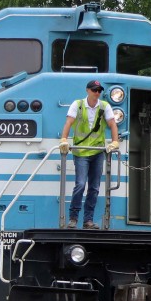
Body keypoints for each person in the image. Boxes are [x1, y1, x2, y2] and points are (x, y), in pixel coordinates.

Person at [58, 79, 121, 229]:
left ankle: (88, 220)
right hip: (81, 152)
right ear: (87, 90)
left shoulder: (104, 106)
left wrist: (115, 142)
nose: (97, 93)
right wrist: (64, 140)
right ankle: (73, 218)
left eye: (99, 90)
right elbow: (69, 122)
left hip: (97, 152)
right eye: (94, 90)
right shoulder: (78, 105)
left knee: (94, 187)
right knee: (80, 184)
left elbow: (112, 124)